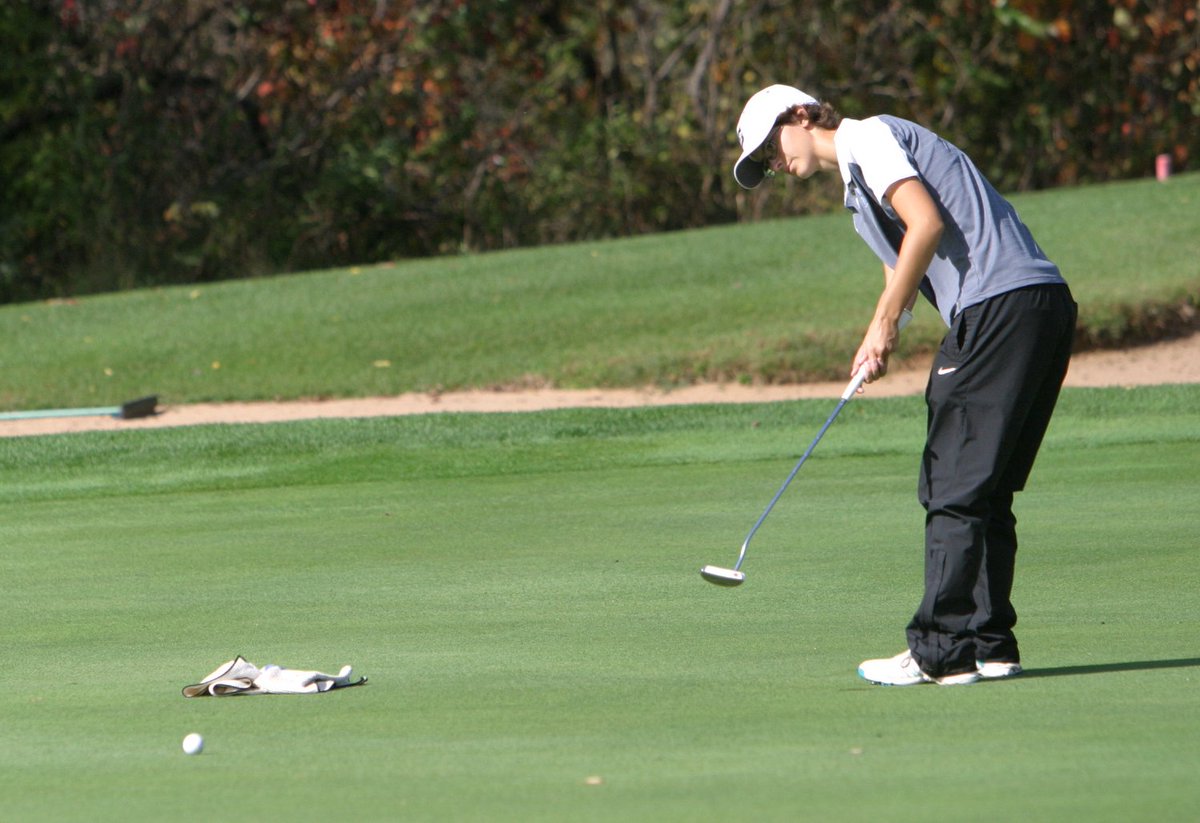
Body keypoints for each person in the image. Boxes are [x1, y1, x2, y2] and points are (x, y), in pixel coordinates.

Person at [732, 84, 1076, 686]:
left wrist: (890, 320)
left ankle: (942, 650)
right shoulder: (857, 195)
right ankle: (989, 644)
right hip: (1040, 305)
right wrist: (878, 332)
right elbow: (904, 268)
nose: (773, 163)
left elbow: (925, 223)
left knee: (952, 484)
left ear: (802, 114)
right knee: (984, 487)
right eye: (761, 162)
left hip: (998, 305)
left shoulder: (869, 136)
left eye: (769, 146)